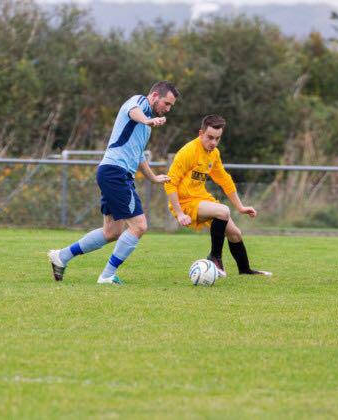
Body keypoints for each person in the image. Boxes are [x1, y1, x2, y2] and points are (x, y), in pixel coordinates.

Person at [48, 81, 179, 284]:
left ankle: (61, 256)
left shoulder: (147, 127)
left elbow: (139, 156)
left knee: (112, 232)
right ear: (154, 96)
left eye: (171, 106)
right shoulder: (138, 102)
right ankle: (107, 276)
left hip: (115, 174)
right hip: (115, 172)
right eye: (166, 103)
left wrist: (153, 178)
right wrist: (147, 121)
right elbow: (133, 112)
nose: (168, 109)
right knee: (139, 226)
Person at [164, 114, 271, 277]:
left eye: (217, 139)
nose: (213, 142)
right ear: (201, 133)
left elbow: (225, 180)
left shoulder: (214, 154)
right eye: (210, 137)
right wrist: (179, 213)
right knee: (223, 211)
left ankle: (245, 270)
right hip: (184, 203)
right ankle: (214, 258)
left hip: (201, 199)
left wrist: (240, 207)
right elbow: (169, 183)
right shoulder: (188, 152)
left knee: (235, 233)